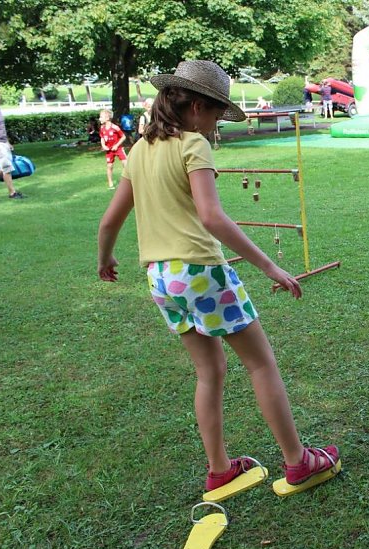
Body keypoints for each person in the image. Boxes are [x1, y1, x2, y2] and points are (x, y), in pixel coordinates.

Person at [96, 60, 340, 497]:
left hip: (160, 278)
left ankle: (220, 469)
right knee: (260, 363)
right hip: (201, 272)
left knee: (209, 372)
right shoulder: (192, 145)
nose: (213, 127)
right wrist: (270, 265)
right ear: (194, 108)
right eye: (213, 115)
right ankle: (297, 461)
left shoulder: (139, 150)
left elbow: (110, 220)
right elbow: (211, 216)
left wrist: (105, 258)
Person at [98, 109, 127, 190]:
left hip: (118, 148)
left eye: (101, 117)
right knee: (109, 166)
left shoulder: (115, 127)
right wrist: (103, 145)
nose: (99, 119)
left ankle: (127, 181)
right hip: (109, 150)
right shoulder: (102, 128)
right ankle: (110, 183)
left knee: (125, 163)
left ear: (107, 118)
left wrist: (117, 145)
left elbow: (123, 137)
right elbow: (102, 138)